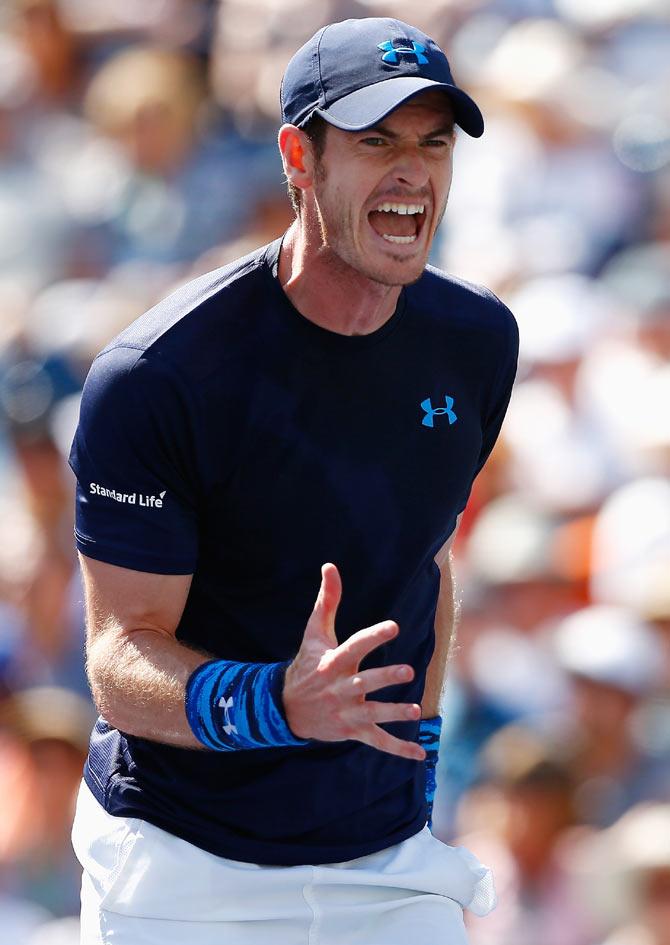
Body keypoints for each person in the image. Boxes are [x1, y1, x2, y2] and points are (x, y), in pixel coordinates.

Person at [68, 17, 518, 945]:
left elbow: (424, 557)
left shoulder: (477, 341)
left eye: (434, 142)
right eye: (375, 141)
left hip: (387, 857)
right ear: (297, 158)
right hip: (179, 864)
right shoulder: (159, 375)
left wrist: (416, 756)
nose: (413, 171)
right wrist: (277, 702)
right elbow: (119, 659)